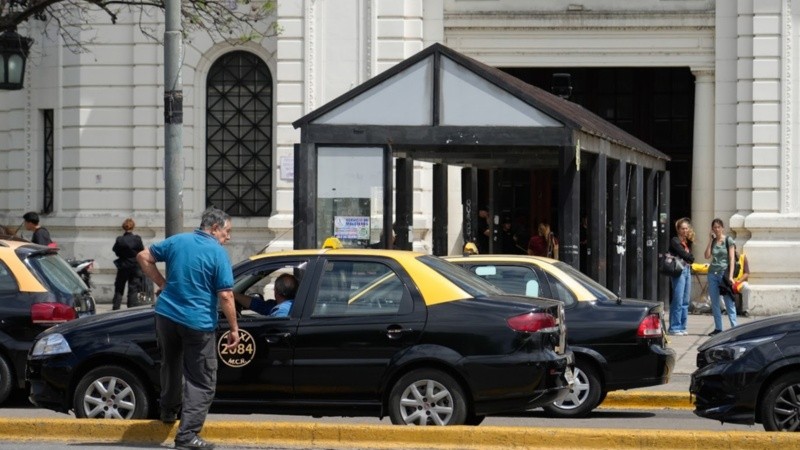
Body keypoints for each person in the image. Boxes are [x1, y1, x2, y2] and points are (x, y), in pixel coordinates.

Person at [137, 207, 239, 450]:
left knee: (171, 364)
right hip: (197, 323)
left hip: (166, 315)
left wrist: (163, 283)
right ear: (214, 228)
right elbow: (225, 295)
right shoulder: (217, 252)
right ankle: (187, 435)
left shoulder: (178, 241)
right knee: (202, 379)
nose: (228, 237)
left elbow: (143, 256)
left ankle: (168, 411)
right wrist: (234, 328)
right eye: (227, 231)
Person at [704, 218, 738, 336]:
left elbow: (732, 259)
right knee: (715, 302)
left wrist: (730, 276)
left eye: (719, 227)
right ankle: (718, 328)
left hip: (724, 274)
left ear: (722, 228)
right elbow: (707, 255)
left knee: (729, 302)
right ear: (712, 229)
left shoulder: (729, 240)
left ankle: (735, 327)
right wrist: (710, 240)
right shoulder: (713, 241)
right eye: (714, 227)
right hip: (712, 273)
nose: (717, 229)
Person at [667, 218, 694, 336]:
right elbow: (684, 254)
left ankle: (682, 326)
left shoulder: (687, 242)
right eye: (682, 228)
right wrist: (690, 257)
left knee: (685, 300)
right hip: (679, 271)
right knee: (678, 299)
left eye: (686, 228)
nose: (685, 231)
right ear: (678, 230)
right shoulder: (675, 240)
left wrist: (689, 257)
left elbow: (688, 256)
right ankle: (674, 327)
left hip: (687, 270)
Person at [111, 218, 145, 310]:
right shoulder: (137, 239)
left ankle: (116, 306)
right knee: (133, 288)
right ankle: (131, 307)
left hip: (123, 266)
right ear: (133, 227)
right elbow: (142, 251)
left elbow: (115, 250)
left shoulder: (120, 240)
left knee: (119, 287)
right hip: (135, 267)